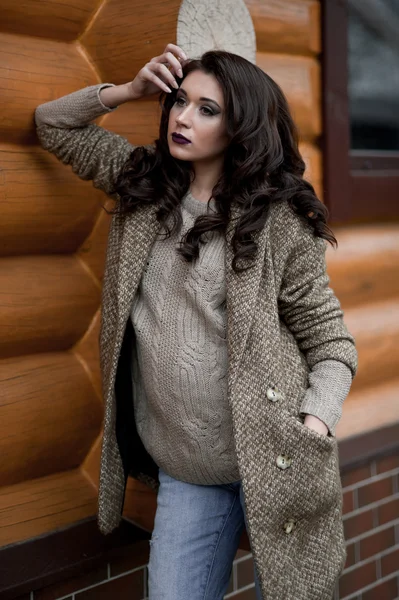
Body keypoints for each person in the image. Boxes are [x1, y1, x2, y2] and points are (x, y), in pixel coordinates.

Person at [34, 43, 358, 600]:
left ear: (241, 128)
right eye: (180, 101)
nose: (182, 118)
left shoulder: (278, 223)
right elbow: (52, 124)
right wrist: (129, 91)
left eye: (208, 110)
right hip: (189, 472)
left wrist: (315, 424)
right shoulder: (140, 185)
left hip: (280, 460)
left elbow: (332, 343)